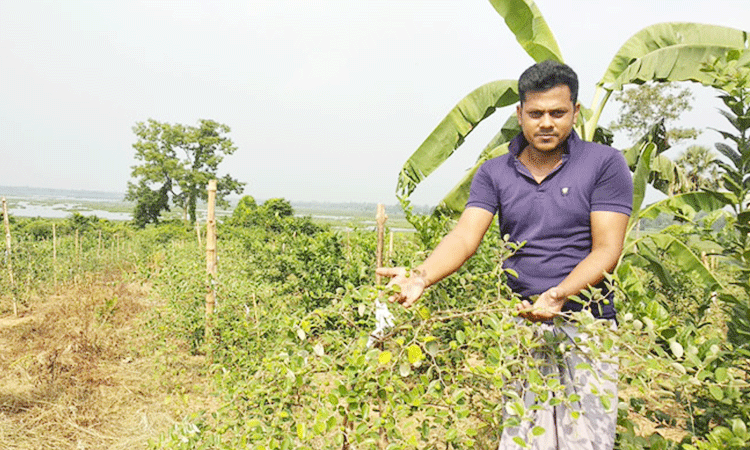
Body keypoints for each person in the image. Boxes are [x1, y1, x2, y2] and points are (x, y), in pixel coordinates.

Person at [377, 60, 633, 449]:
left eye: (558, 113)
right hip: (522, 325)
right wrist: (422, 275)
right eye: (536, 113)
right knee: (525, 439)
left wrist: (559, 294)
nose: (546, 123)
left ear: (575, 112)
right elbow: (465, 235)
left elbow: (607, 249)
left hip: (588, 326)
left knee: (587, 440)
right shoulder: (494, 172)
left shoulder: (604, 164)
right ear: (520, 114)